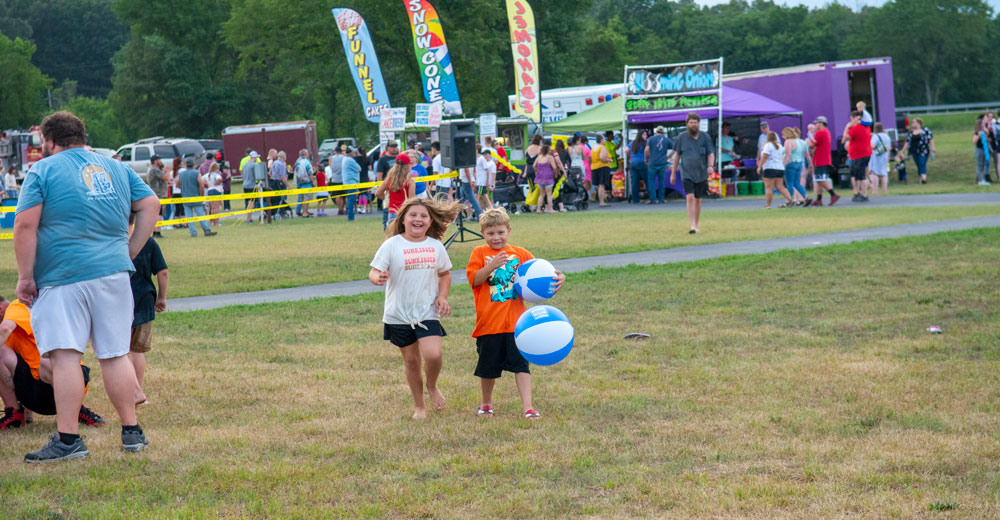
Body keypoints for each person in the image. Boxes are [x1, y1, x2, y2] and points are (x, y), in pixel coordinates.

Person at [14, 111, 159, 461]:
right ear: (81, 136)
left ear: (49, 142)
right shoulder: (116, 166)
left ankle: (68, 440)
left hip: (63, 276)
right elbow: (150, 204)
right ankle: (132, 432)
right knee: (114, 353)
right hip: (113, 274)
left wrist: (25, 276)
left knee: (65, 356)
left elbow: (25, 226)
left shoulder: (43, 170)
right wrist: (130, 251)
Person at [368, 197, 464, 419]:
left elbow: (444, 274)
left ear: (430, 222)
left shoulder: (435, 246)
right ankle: (419, 406)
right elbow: (373, 271)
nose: (418, 219)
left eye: (423, 216)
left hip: (427, 311)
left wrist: (442, 296)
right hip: (397, 314)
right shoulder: (391, 245)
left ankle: (432, 385)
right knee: (411, 361)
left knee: (434, 354)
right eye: (413, 215)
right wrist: (378, 277)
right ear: (403, 220)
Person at [466, 208, 564, 419]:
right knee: (487, 368)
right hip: (489, 324)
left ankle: (528, 407)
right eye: (490, 233)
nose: (496, 237)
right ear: (483, 233)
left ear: (509, 230)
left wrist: (558, 280)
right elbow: (474, 280)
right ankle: (486, 404)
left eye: (500, 232)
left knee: (521, 366)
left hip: (517, 326)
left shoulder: (521, 254)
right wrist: (491, 265)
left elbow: (541, 276)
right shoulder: (479, 253)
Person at [0, 294, 108, 431]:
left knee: (48, 361)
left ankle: (78, 409)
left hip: (60, 383)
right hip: (40, 392)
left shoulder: (18, 306)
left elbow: (4, 329)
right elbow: (24, 363)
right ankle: (15, 413)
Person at [128, 215, 168, 406]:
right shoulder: (148, 242)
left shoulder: (113, 241)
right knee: (138, 350)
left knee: (119, 352)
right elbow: (163, 272)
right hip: (144, 300)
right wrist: (161, 297)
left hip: (119, 301)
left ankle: (132, 389)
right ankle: (138, 391)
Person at [671, 112, 715, 233]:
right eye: (691, 123)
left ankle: (696, 224)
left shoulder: (705, 137)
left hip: (701, 173)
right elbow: (676, 156)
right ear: (687, 124)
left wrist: (710, 166)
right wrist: (673, 173)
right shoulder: (681, 137)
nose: (693, 125)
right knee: (689, 197)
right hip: (687, 173)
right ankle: (692, 226)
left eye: (695, 123)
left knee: (698, 199)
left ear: (698, 124)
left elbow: (711, 153)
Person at [375, 152, 416, 228]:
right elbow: (412, 200)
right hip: (404, 213)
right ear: (408, 166)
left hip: (392, 212)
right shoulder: (410, 181)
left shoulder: (389, 180)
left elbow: (378, 193)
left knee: (392, 237)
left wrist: (388, 199)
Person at [179, 157, 217, 237]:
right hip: (195, 197)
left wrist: (184, 188)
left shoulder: (181, 174)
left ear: (186, 165)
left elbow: (177, 184)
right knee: (201, 215)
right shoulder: (197, 173)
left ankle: (193, 233)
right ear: (193, 165)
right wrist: (202, 196)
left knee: (189, 217)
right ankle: (206, 230)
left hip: (185, 198)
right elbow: (201, 186)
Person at [808, 116, 840, 206]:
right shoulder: (826, 132)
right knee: (819, 180)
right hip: (824, 159)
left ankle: (833, 194)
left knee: (820, 179)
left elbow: (811, 145)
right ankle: (819, 199)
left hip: (820, 160)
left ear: (821, 123)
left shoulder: (820, 133)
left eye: (816, 123)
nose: (815, 125)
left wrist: (809, 137)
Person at [758, 131, 794, 209]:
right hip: (780, 168)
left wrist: (759, 166)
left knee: (769, 187)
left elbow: (764, 156)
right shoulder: (780, 146)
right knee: (780, 186)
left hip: (770, 168)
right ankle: (790, 199)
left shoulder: (768, 145)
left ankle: (768, 205)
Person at [842, 110, 872, 202]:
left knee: (860, 175)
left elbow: (845, 137)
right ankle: (859, 193)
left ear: (857, 118)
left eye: (851, 118)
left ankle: (863, 194)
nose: (850, 120)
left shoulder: (857, 128)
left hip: (859, 155)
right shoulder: (866, 127)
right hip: (862, 154)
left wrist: (847, 126)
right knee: (858, 175)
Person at [895, 118, 935, 184]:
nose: (912, 123)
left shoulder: (925, 130)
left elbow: (930, 138)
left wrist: (932, 147)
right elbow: (907, 142)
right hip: (914, 151)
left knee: (922, 163)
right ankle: (921, 180)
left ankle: (924, 178)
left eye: (914, 122)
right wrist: (903, 150)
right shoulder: (911, 132)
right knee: (918, 164)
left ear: (918, 123)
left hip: (923, 150)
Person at [781, 128, 810, 206]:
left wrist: (783, 165)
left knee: (789, 183)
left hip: (791, 163)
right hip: (799, 163)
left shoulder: (788, 142)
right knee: (797, 183)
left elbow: (788, 154)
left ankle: (789, 200)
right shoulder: (799, 141)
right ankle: (806, 197)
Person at [645, 126, 673, 204]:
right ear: (663, 132)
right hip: (662, 162)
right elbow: (676, 148)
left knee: (651, 181)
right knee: (661, 181)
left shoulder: (651, 139)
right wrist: (669, 155)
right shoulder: (667, 140)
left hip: (652, 162)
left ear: (656, 132)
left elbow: (646, 150)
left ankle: (653, 199)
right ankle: (662, 199)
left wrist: (647, 159)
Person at [377, 141, 400, 228]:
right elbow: (379, 176)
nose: (394, 148)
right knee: (388, 211)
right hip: (388, 189)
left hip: (400, 187)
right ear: (387, 147)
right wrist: (381, 190)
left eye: (395, 146)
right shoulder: (383, 160)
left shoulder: (399, 158)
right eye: (392, 147)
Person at [533, 145, 561, 214]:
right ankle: (550, 209)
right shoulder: (550, 157)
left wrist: (536, 172)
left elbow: (534, 165)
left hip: (540, 177)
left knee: (541, 194)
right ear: (548, 150)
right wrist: (555, 174)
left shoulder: (539, 157)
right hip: (548, 177)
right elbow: (554, 167)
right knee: (549, 194)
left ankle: (538, 209)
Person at [146, 155, 169, 238]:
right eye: (159, 159)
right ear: (155, 161)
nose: (160, 161)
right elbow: (165, 177)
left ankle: (155, 232)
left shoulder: (151, 169)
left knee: (156, 214)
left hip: (155, 193)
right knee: (159, 214)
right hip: (159, 194)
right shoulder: (155, 169)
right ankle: (157, 232)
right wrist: (167, 170)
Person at [590, 134, 613, 207]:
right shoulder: (602, 148)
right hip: (602, 167)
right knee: (602, 185)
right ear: (601, 140)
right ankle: (602, 202)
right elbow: (602, 158)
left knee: (599, 185)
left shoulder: (593, 147)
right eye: (604, 139)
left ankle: (601, 200)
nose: (605, 140)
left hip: (594, 167)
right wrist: (610, 160)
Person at [869, 122, 891, 194]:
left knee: (874, 173)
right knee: (884, 173)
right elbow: (889, 148)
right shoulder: (887, 136)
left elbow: (872, 146)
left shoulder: (875, 136)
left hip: (876, 156)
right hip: (885, 156)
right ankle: (885, 190)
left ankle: (875, 190)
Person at [267, 151, 289, 221]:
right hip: (280, 184)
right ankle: (280, 212)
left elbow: (269, 173)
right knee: (282, 198)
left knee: (275, 199)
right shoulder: (281, 164)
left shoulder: (274, 163)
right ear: (284, 157)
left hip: (273, 184)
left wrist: (274, 178)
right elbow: (283, 177)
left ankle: (276, 211)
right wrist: (288, 185)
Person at [628, 131, 648, 204]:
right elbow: (648, 152)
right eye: (644, 134)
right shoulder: (645, 143)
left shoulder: (632, 143)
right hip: (642, 162)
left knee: (635, 182)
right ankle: (651, 197)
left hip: (632, 163)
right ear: (641, 135)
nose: (646, 136)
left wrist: (630, 155)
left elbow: (626, 150)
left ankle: (635, 200)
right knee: (647, 180)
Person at [294, 149, 315, 217]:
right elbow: (310, 172)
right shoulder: (307, 162)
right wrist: (313, 181)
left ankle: (304, 211)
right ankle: (305, 213)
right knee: (306, 198)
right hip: (307, 182)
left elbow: (296, 173)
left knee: (302, 198)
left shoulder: (297, 162)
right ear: (306, 154)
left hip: (299, 182)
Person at [342, 146, 361, 221]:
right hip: (351, 183)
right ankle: (351, 217)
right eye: (354, 152)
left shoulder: (345, 159)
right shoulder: (350, 160)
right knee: (351, 200)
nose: (355, 153)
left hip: (347, 182)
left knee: (349, 200)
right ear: (351, 153)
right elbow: (359, 169)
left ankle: (350, 216)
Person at [242, 151, 262, 221]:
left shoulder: (244, 164)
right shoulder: (255, 165)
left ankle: (249, 218)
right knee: (252, 203)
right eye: (256, 157)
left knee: (248, 202)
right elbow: (258, 177)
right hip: (252, 186)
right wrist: (260, 182)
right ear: (254, 157)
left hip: (245, 185)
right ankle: (249, 218)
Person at [974, 116, 992, 186]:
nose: (984, 124)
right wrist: (978, 136)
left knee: (984, 165)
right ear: (980, 124)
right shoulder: (977, 132)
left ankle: (983, 179)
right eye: (983, 123)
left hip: (985, 149)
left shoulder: (984, 131)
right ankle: (980, 180)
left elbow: (986, 140)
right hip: (979, 150)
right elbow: (974, 142)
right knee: (979, 165)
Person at [328, 147, 346, 215]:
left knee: (337, 195)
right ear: (341, 151)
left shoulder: (331, 158)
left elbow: (330, 166)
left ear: (335, 151)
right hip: (343, 178)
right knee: (344, 195)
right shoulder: (343, 157)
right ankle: (343, 208)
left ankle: (339, 209)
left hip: (335, 179)